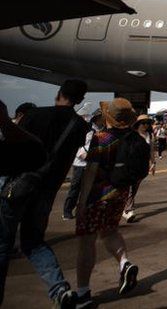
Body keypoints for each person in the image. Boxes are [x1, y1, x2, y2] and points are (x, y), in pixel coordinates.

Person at [0, 80, 90, 308]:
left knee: (3, 242)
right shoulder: (79, 126)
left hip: (20, 184)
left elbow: (15, 147)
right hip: (47, 191)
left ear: (59, 93)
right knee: (34, 242)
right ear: (79, 100)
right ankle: (60, 290)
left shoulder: (35, 115)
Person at [74, 98, 141, 308]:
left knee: (87, 241)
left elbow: (91, 170)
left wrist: (82, 201)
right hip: (120, 193)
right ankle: (124, 263)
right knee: (110, 231)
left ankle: (83, 292)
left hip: (98, 194)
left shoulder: (101, 138)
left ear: (108, 116)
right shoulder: (133, 138)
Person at [63, 110, 103, 220]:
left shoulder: (101, 130)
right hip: (80, 163)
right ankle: (67, 211)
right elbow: (77, 144)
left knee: (88, 187)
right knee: (75, 188)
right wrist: (81, 154)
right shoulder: (88, 129)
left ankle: (83, 209)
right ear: (98, 118)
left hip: (92, 162)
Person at [122, 115, 157, 223]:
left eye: (147, 123)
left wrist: (153, 163)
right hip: (130, 164)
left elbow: (151, 150)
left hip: (142, 165)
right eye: (143, 123)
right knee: (128, 187)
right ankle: (128, 209)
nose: (146, 125)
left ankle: (126, 208)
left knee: (134, 188)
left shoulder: (149, 135)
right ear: (138, 124)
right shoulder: (132, 135)